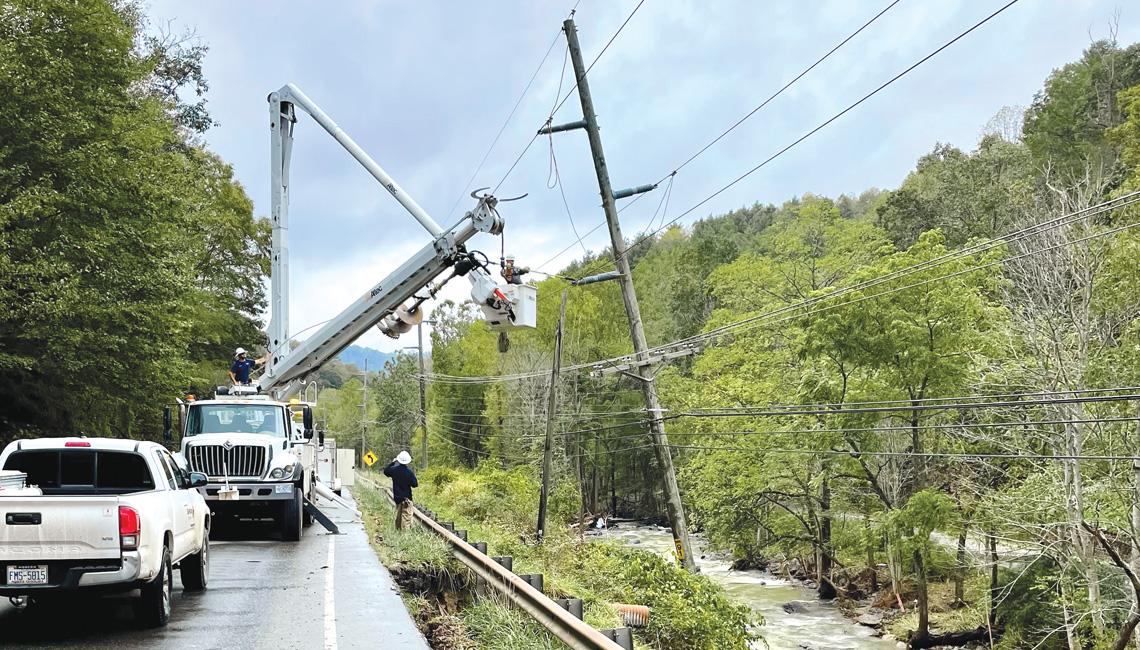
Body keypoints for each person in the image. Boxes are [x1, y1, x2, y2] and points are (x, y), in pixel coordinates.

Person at [383, 451, 418, 530]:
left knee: (398, 517)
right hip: (407, 499)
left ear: (398, 460)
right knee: (406, 518)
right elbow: (415, 484)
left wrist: (393, 462)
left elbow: (386, 471)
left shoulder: (394, 470)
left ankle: (398, 531)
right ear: (408, 461)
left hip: (397, 498)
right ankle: (404, 536)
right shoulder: (409, 472)